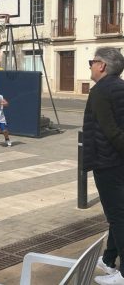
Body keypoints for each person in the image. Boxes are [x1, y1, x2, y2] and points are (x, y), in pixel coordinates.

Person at [82, 47, 124, 285]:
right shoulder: (121, 87)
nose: (90, 66)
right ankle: (109, 260)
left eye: (92, 61)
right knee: (117, 214)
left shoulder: (101, 91)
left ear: (102, 66)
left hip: (108, 162)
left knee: (118, 216)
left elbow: (111, 132)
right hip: (117, 161)